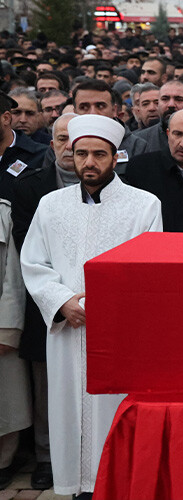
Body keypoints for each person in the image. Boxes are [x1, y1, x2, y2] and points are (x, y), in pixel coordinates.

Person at [20, 114, 162, 498]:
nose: (89, 163)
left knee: (113, 414)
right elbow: (33, 263)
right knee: (68, 411)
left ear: (116, 157)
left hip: (118, 336)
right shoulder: (51, 205)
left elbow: (149, 270)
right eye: (81, 153)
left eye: (99, 154)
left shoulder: (144, 206)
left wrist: (109, 307)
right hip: (67, 331)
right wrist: (62, 301)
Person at [10, 113, 79, 491]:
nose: (69, 147)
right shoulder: (29, 187)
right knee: (46, 385)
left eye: (76, 139)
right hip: (46, 300)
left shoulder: (116, 187)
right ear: (50, 143)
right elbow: (28, 250)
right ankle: (47, 456)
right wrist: (60, 294)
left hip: (90, 300)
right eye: (61, 138)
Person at [0, 194, 27, 490]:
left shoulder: (3, 211)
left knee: (5, 399)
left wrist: (7, 326)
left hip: (0, 320)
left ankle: (4, 461)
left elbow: (13, 275)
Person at [0, 91, 48, 202]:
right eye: (17, 113)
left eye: (30, 113)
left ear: (6, 118)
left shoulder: (42, 155)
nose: (23, 119)